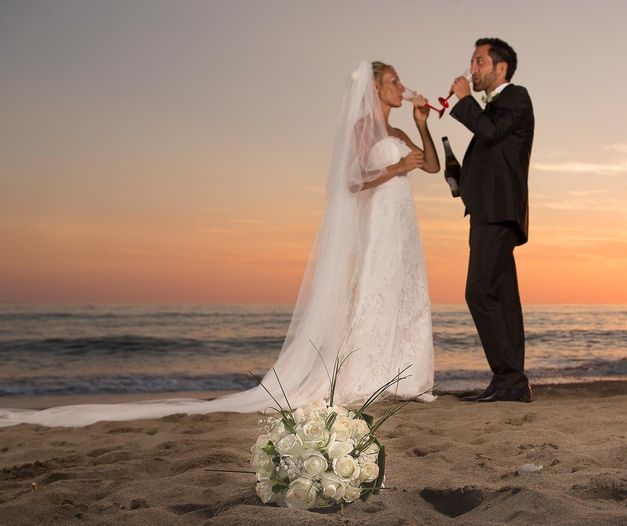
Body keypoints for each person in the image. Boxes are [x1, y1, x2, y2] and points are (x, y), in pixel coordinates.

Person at [0, 61, 438, 427]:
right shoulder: (363, 129)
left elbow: (433, 166)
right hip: (377, 223)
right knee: (372, 295)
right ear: (376, 88)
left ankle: (401, 377)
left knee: (402, 295)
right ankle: (367, 374)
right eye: (395, 81)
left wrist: (421, 126)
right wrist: (396, 169)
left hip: (403, 226)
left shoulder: (400, 134)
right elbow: (349, 181)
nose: (403, 87)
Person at [449, 38, 534, 403]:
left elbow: (490, 131)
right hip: (488, 210)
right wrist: (460, 177)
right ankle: (510, 382)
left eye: (479, 61)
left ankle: (509, 378)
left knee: (479, 291)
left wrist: (464, 99)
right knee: (502, 297)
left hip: (499, 212)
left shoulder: (517, 97)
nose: (472, 68)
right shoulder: (495, 109)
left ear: (500, 68)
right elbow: (489, 150)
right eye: (471, 61)